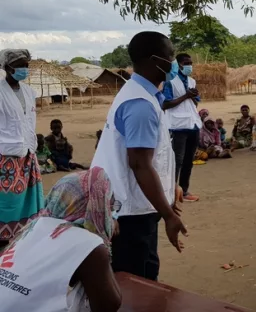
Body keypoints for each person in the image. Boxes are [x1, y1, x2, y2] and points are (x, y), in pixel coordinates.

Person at [91, 31, 186, 281]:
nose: (174, 62)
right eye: (170, 56)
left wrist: (169, 187)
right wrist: (169, 215)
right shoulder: (140, 105)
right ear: (155, 60)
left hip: (138, 204)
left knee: (141, 271)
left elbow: (155, 155)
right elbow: (139, 165)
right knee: (136, 279)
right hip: (131, 211)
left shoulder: (144, 96)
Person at [0, 168, 122, 311]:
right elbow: (110, 304)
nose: (111, 216)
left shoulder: (35, 226)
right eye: (110, 208)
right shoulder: (89, 244)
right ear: (97, 209)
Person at [0, 49, 42, 246]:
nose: (25, 69)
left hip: (28, 154)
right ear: (7, 67)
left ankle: (23, 237)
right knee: (7, 202)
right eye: (20, 66)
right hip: (6, 157)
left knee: (27, 199)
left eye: (27, 65)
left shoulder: (29, 92)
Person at [161, 53, 201, 203]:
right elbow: (165, 104)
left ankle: (184, 191)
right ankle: (171, 191)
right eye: (186, 63)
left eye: (191, 63)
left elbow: (195, 101)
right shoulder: (170, 83)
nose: (189, 66)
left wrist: (193, 96)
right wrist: (185, 96)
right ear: (178, 64)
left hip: (193, 124)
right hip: (178, 127)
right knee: (176, 160)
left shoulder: (192, 81)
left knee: (189, 160)